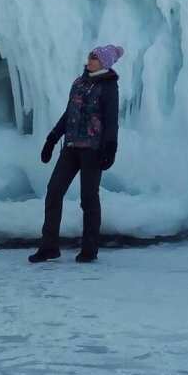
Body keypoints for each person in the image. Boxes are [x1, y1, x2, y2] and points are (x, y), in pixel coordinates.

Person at [28, 45, 124, 264]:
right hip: (71, 147)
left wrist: (110, 147)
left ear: (105, 63)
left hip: (93, 149)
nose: (90, 60)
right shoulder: (79, 83)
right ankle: (49, 246)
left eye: (95, 58)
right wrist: (52, 139)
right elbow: (69, 114)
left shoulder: (109, 87)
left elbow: (111, 119)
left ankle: (90, 249)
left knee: (88, 198)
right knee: (54, 192)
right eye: (90, 56)